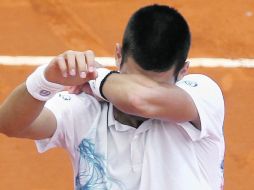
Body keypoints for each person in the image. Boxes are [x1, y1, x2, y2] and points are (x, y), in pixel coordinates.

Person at [0, 4, 225, 190]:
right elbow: (10, 124)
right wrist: (45, 79)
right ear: (118, 55)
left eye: (157, 84)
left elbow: (138, 98)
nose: (141, 87)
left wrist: (96, 75)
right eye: (133, 76)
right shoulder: (84, 108)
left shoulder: (201, 94)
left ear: (183, 72)